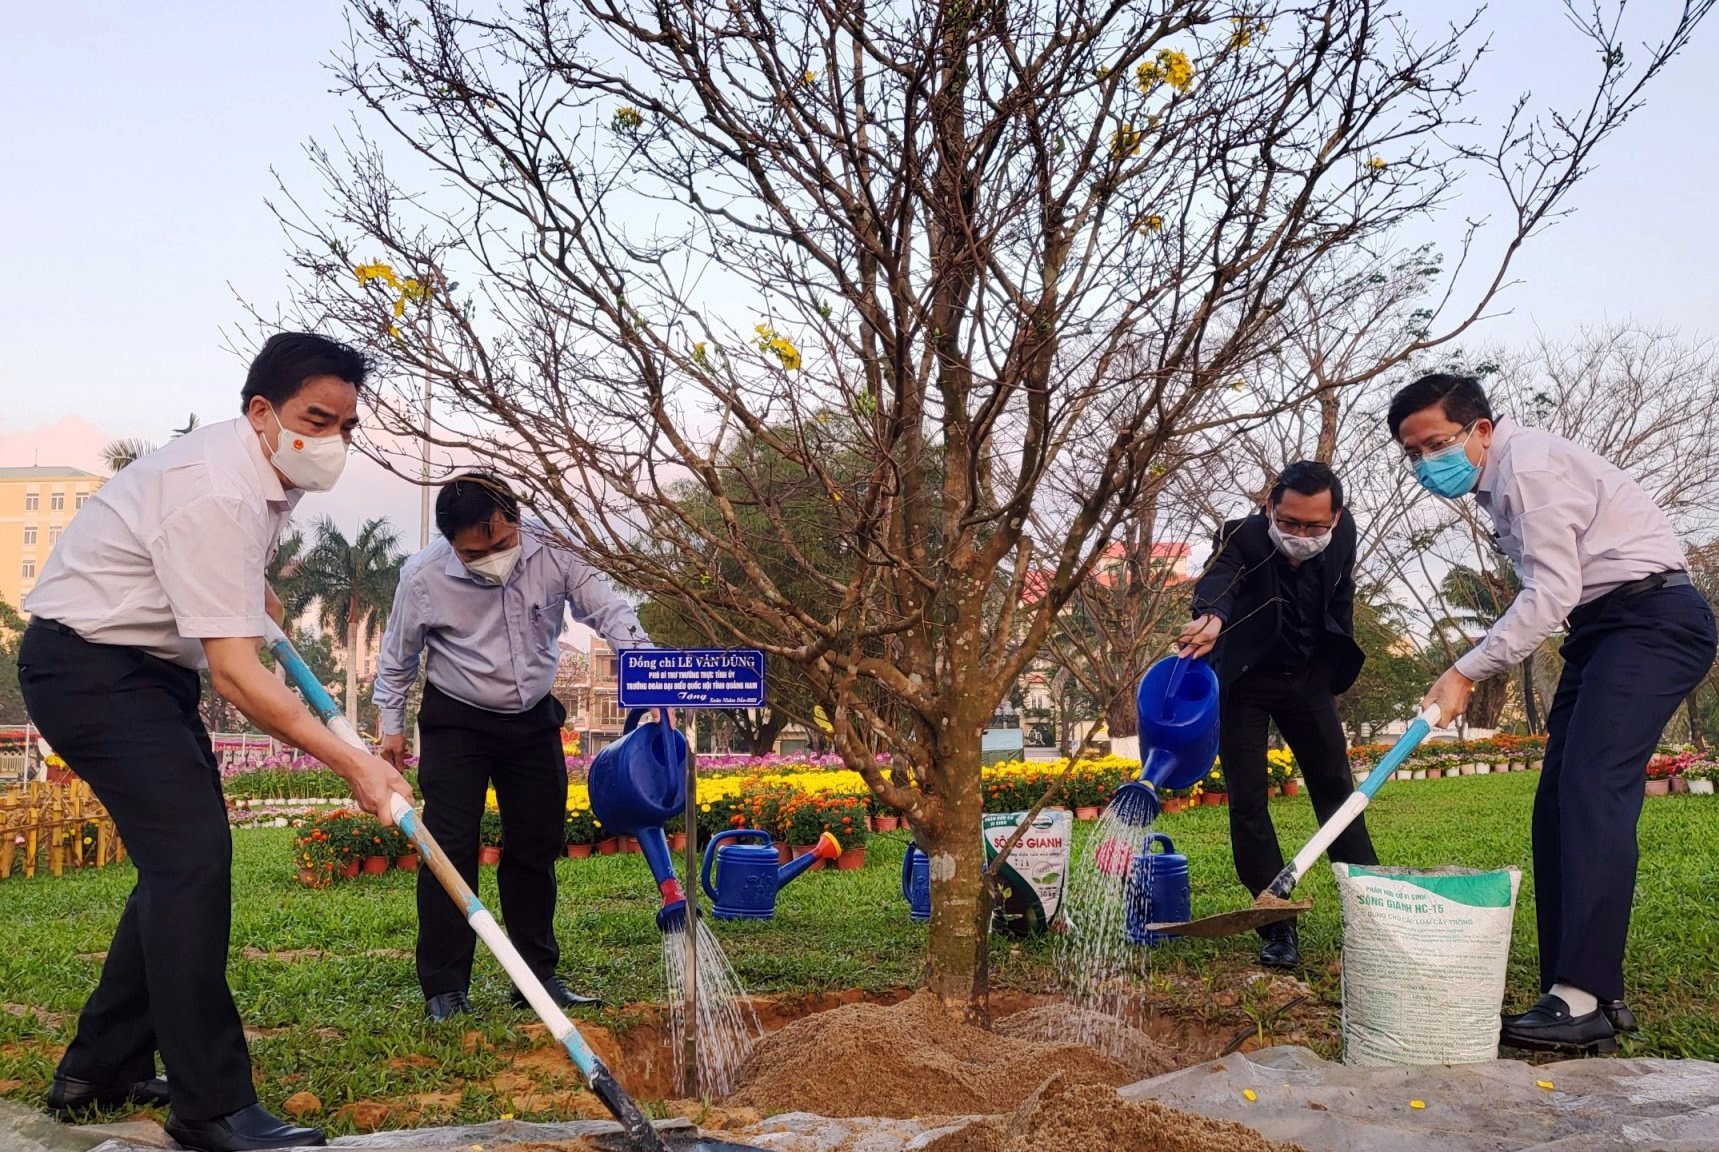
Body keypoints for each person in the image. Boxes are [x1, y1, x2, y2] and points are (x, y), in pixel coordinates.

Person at [18, 333, 413, 1152]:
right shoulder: (218, 489)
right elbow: (235, 676)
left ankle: (100, 1068)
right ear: (262, 410)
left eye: (345, 422)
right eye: (316, 417)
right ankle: (210, 1106)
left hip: (142, 673)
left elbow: (229, 585)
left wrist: (247, 586)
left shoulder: (262, 469)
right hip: (90, 669)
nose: (332, 437)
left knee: (181, 862)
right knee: (190, 862)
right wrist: (357, 764)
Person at [1391, 373, 1716, 1055]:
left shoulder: (1528, 466)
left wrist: (1461, 671)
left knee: (1591, 787)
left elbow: (1548, 592)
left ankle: (1581, 998)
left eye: (1435, 443)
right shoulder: (1499, 481)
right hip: (1603, 628)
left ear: (1480, 428)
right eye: (1411, 454)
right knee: (1557, 803)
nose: (1425, 464)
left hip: (1650, 619)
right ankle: (1584, 992)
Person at [374, 473, 652, 1022]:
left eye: (502, 543)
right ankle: (445, 989)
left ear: (516, 520)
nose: (494, 557)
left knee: (537, 843)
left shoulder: (553, 547)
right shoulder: (423, 576)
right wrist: (391, 727)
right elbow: (397, 655)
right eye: (477, 552)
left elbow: (609, 611)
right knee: (448, 847)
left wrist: (649, 671)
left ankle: (536, 977)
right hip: (457, 718)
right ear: (451, 542)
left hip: (532, 717)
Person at [1178, 460, 1372, 970]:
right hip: (1246, 684)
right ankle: (1275, 923)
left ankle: (1371, 911)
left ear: (1336, 517)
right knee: (1248, 801)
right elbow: (1219, 578)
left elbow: (1340, 590)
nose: (1300, 535)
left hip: (1309, 681)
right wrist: (1212, 616)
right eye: (1288, 522)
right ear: (1270, 508)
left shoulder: (1344, 532)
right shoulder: (1241, 536)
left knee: (1339, 794)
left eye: (1314, 526)